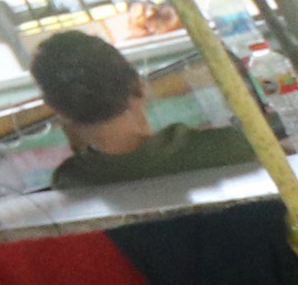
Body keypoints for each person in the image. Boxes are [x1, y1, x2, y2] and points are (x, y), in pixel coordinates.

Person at [33, 27, 264, 189]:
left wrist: (78, 144)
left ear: (57, 109)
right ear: (138, 85)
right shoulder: (230, 147)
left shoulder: (70, 181)